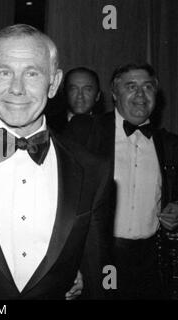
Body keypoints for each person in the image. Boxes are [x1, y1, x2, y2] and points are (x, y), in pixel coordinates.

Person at [0, 24, 114, 299]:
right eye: (4, 72)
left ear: (54, 83)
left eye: (31, 73)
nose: (16, 88)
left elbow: (96, 273)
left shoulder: (92, 169)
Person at [68, 63, 178, 299]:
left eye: (147, 87)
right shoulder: (87, 131)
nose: (140, 94)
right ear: (114, 94)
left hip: (151, 260)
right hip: (99, 257)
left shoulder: (169, 144)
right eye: (131, 86)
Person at [48, 67, 102, 133]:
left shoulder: (107, 128)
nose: (80, 95)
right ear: (65, 93)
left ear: (97, 95)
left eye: (87, 90)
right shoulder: (49, 126)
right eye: (73, 89)